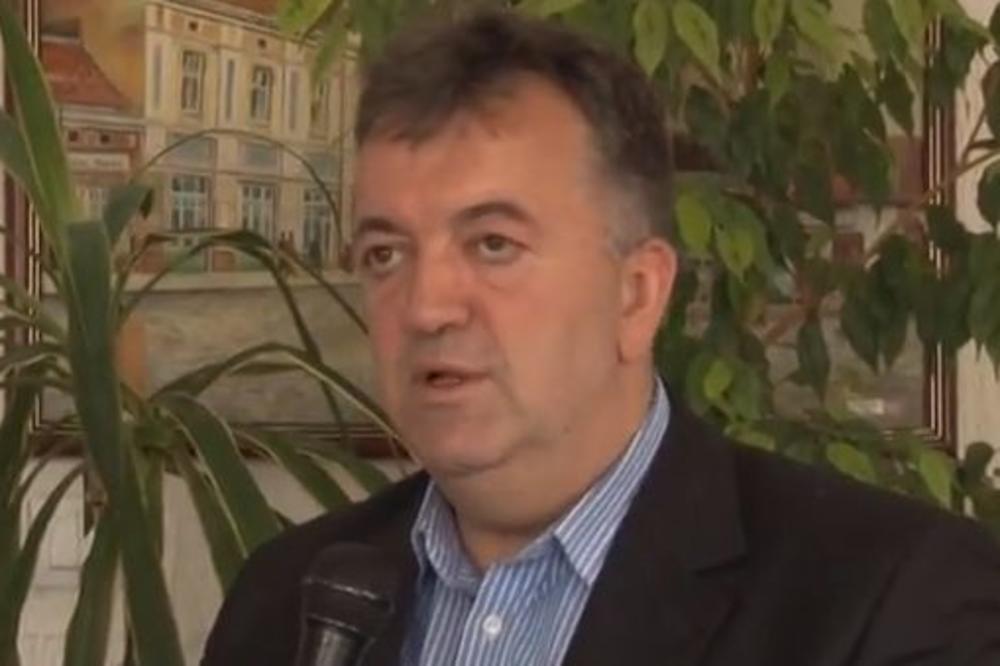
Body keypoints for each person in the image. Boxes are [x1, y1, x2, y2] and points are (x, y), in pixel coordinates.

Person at [202, 9, 1000, 666]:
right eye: (385, 254)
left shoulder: (896, 599)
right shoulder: (283, 599)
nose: (425, 307)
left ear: (638, 293)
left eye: (493, 244)